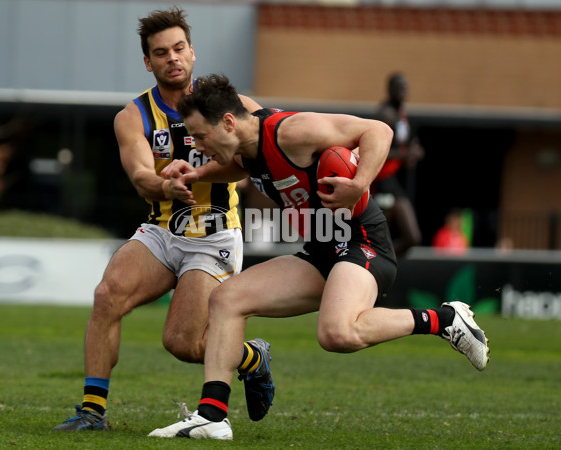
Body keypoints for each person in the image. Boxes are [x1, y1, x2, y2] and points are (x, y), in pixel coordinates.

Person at [148, 74, 491, 440]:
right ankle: (212, 417)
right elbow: (241, 166)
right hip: (322, 249)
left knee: (336, 334)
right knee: (227, 298)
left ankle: (445, 319)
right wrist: (199, 171)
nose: (197, 145)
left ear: (229, 122)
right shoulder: (245, 149)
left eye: (201, 136)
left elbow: (378, 131)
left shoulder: (292, 132)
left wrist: (359, 184)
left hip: (362, 241)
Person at [54, 8, 274, 431]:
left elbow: (262, 152)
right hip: (161, 231)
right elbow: (139, 175)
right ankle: (92, 411)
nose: (171, 58)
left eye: (178, 48)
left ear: (192, 52)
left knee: (182, 342)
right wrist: (163, 185)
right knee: (106, 296)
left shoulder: (234, 106)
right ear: (148, 62)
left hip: (212, 236)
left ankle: (252, 356)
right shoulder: (132, 115)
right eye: (160, 53)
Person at [372, 72, 424, 258]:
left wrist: (412, 152)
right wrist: (405, 154)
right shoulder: (385, 114)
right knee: (379, 237)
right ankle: (374, 263)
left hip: (394, 181)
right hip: (382, 180)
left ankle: (383, 260)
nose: (403, 91)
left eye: (405, 88)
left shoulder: (401, 114)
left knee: (413, 237)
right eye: (399, 87)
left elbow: (403, 146)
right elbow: (375, 150)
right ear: (389, 89)